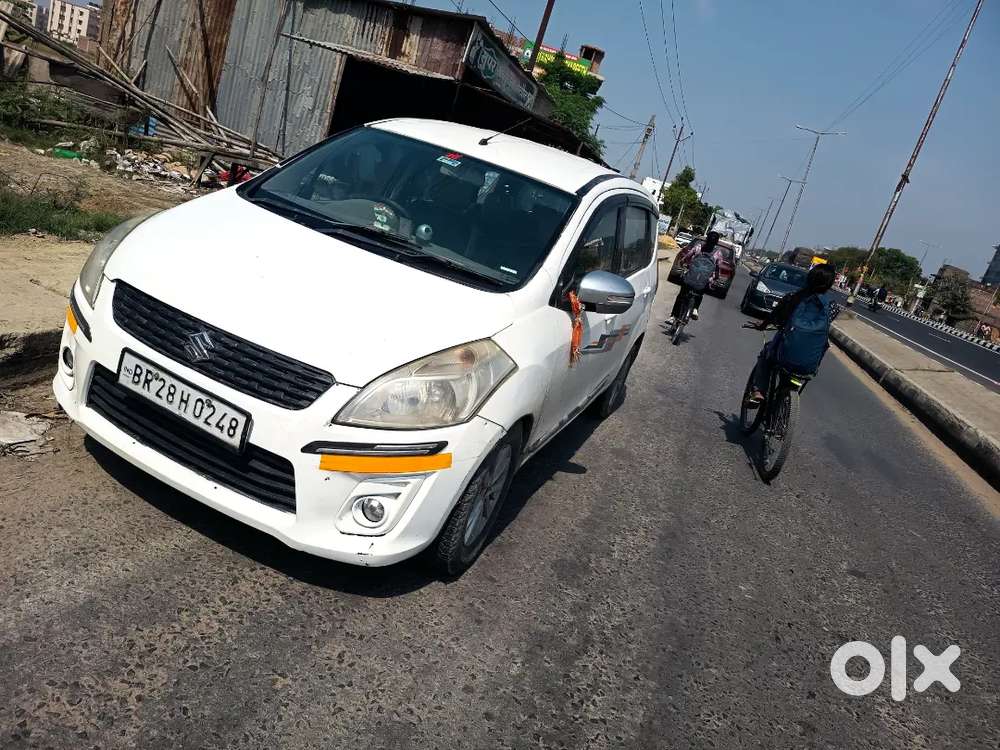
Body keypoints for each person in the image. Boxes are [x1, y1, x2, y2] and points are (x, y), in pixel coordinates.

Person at [745, 263, 837, 403]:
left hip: (784, 348)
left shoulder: (794, 297)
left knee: (766, 354)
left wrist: (762, 325)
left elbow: (775, 316)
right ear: (830, 284)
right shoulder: (831, 306)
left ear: (810, 278)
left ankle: (758, 391)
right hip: (810, 361)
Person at [667, 231, 722, 326]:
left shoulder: (698, 247)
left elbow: (687, 257)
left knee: (681, 295)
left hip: (691, 276)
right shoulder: (718, 253)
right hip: (703, 280)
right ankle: (695, 309)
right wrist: (715, 277)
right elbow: (718, 268)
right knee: (701, 291)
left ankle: (673, 317)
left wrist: (682, 263)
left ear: (706, 239)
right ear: (716, 242)